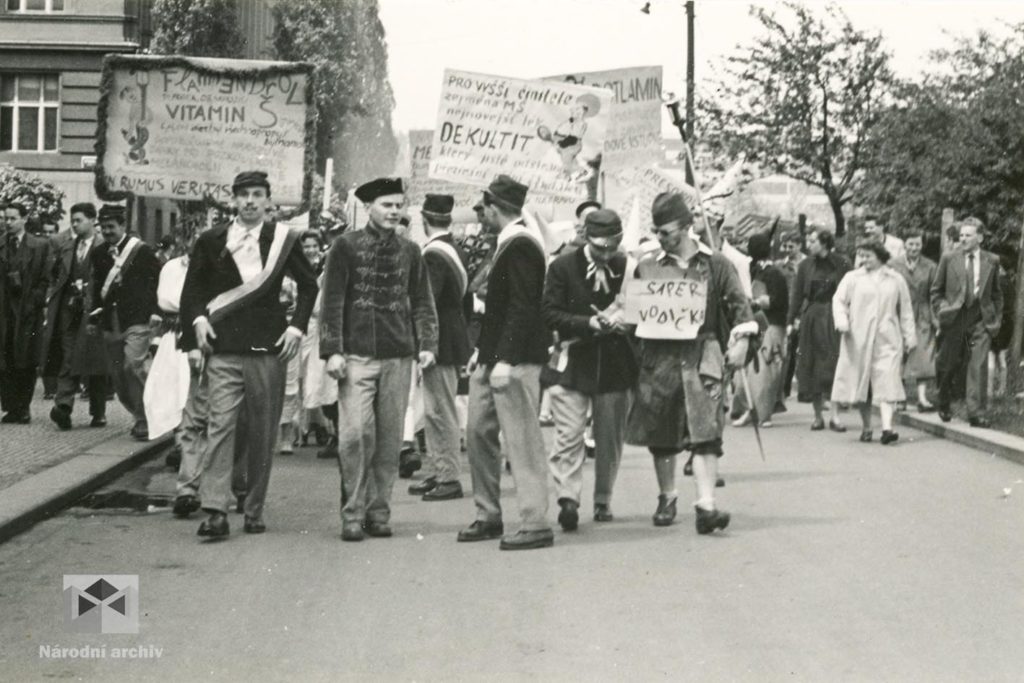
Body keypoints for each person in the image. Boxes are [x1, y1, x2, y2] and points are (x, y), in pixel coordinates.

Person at [181, 170, 318, 539]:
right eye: (244, 195)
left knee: (261, 431)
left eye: (258, 195)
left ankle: (254, 507)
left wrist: (296, 327)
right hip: (223, 347)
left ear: (268, 200)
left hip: (267, 348)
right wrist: (196, 322)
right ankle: (215, 510)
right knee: (220, 426)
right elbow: (192, 290)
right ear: (234, 199)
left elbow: (309, 285)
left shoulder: (283, 240)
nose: (251, 202)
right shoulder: (211, 240)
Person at [625, 192, 755, 533]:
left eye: (666, 231)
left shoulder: (716, 265)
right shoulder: (647, 265)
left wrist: (741, 341)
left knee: (705, 430)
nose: (660, 237)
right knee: (662, 432)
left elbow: (740, 307)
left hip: (702, 355)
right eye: (656, 231)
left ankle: (706, 505)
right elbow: (631, 314)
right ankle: (667, 495)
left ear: (685, 227)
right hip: (660, 359)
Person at [320, 177, 438, 542]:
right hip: (355, 357)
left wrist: (428, 343)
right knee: (355, 435)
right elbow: (333, 300)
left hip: (399, 357)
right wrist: (332, 350)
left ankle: (378, 511)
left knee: (388, 440)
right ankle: (351, 512)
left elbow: (422, 301)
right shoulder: (345, 247)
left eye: (399, 205)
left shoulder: (410, 251)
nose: (394, 211)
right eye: (386, 205)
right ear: (369, 207)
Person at [456, 175, 554, 550]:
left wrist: (506, 358)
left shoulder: (522, 245)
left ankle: (534, 521)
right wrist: (483, 352)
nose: (481, 216)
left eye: (483, 210)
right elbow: (500, 309)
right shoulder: (509, 242)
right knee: (478, 432)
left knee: (522, 439)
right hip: (494, 356)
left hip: (516, 359)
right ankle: (488, 514)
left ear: (494, 208)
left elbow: (522, 307)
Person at [543, 208, 637, 528]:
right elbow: (550, 313)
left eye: (613, 247)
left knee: (609, 438)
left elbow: (641, 312)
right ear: (585, 237)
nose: (607, 254)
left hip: (615, 363)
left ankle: (603, 499)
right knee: (569, 435)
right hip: (572, 360)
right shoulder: (562, 267)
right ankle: (568, 498)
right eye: (600, 248)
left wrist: (627, 325)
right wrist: (587, 323)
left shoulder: (629, 268)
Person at [406, 194, 472, 502]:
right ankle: (439, 469)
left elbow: (425, 301)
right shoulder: (456, 249)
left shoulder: (433, 255)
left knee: (439, 410)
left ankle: (448, 476)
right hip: (451, 335)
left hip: (439, 340)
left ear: (423, 219)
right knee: (434, 409)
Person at [831, 239, 917, 444]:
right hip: (858, 337)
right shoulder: (853, 278)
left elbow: (905, 309)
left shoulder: (895, 279)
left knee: (887, 380)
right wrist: (842, 321)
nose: (863, 259)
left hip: (888, 338)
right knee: (864, 385)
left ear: (879, 256)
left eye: (867, 255)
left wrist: (909, 336)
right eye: (861, 255)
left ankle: (887, 429)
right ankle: (867, 427)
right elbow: (839, 301)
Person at [89, 204, 161, 440]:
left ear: (123, 226)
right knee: (119, 376)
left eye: (112, 227)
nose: (107, 231)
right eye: (104, 227)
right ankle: (141, 412)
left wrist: (155, 311)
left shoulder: (142, 252)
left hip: (137, 319)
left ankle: (144, 419)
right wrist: (93, 316)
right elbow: (97, 287)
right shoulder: (99, 253)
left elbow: (156, 282)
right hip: (111, 322)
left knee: (134, 366)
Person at [931, 217, 1002, 427]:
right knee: (948, 364)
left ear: (979, 237)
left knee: (977, 365)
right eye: (961, 235)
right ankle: (944, 401)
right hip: (955, 318)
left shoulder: (992, 260)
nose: (963, 239)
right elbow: (936, 291)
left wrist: (995, 320)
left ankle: (976, 413)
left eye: (968, 235)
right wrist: (943, 309)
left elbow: (997, 293)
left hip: (981, 319)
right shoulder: (948, 258)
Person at [43, 203, 108, 430]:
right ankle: (63, 407)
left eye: (79, 220)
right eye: (73, 220)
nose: (74, 224)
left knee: (95, 360)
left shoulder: (104, 246)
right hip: (69, 311)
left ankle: (98, 412)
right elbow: (54, 276)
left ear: (92, 220)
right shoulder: (66, 246)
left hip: (93, 311)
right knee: (68, 355)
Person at [789, 228, 851, 431]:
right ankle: (817, 416)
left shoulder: (842, 263)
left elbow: (850, 292)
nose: (809, 244)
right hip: (813, 318)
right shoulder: (805, 265)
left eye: (813, 240)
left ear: (824, 243)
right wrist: (791, 321)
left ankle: (835, 416)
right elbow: (797, 295)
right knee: (813, 365)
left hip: (834, 318)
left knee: (833, 366)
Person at [0, 202, 51, 423]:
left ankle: (23, 407)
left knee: (26, 360)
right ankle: (11, 407)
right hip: (4, 312)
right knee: (5, 360)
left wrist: (35, 301)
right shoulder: (1, 244)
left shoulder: (39, 246)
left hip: (27, 312)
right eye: (5, 218)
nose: (8, 222)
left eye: (12, 218)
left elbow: (46, 278)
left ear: (24, 219)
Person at [733, 232, 788, 428]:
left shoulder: (772, 273)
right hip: (759, 324)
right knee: (750, 371)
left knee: (764, 371)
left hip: (771, 324)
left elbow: (777, 300)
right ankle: (750, 409)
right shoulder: (758, 271)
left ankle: (763, 413)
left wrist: (755, 301)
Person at [891, 230, 938, 411]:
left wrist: (935, 319)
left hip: (923, 313)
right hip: (899, 312)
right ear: (905, 244)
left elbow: (934, 293)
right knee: (899, 354)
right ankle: (900, 397)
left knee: (923, 355)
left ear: (922, 245)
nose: (914, 248)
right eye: (911, 244)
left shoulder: (930, 266)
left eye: (917, 244)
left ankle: (922, 397)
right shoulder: (893, 265)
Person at [775, 231, 805, 398]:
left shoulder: (807, 263)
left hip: (804, 310)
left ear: (799, 246)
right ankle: (784, 388)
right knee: (789, 350)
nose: (787, 249)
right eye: (785, 246)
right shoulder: (780, 265)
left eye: (791, 246)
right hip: (787, 311)